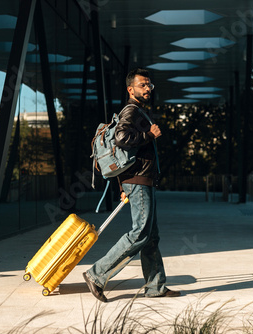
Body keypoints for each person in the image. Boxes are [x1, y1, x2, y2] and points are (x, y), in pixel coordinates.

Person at [83, 68, 180, 302]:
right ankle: (96, 275)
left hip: (141, 179)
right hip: (138, 181)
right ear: (130, 89)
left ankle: (155, 286)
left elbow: (123, 153)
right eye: (142, 85)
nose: (147, 89)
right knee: (139, 233)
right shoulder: (131, 111)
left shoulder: (138, 111)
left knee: (150, 235)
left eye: (149, 85)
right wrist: (150, 135)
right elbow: (121, 139)